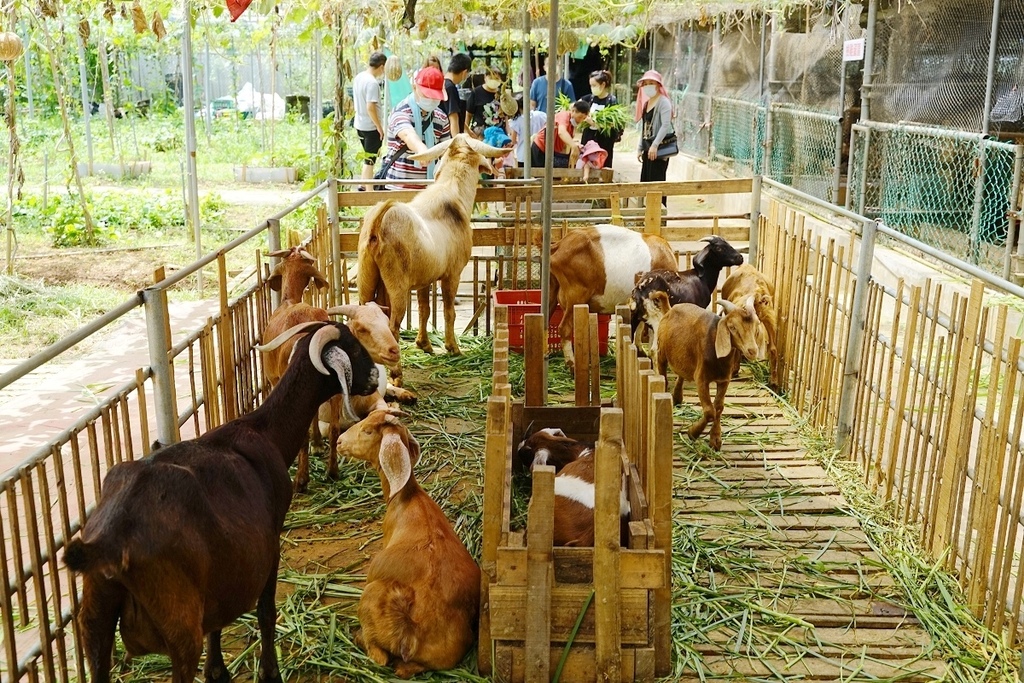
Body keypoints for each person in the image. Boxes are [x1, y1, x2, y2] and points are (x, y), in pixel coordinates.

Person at [380, 67, 452, 190]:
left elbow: (446, 150)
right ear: (414, 88)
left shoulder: (441, 118)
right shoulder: (400, 112)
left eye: (435, 97)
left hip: (428, 191)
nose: (431, 100)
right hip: (399, 189)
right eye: (427, 95)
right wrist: (422, 150)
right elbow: (408, 134)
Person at [635, 69, 673, 201]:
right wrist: (640, 148)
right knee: (646, 181)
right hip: (647, 148)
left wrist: (655, 145)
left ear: (658, 85)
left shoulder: (664, 102)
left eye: (651, 83)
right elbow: (644, 126)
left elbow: (665, 125)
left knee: (657, 183)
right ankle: (647, 215)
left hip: (658, 150)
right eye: (645, 83)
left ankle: (659, 216)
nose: (648, 86)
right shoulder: (647, 104)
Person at [353, 51, 387, 188]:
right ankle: (369, 191)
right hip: (370, 127)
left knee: (368, 158)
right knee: (370, 161)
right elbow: (370, 107)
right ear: (382, 66)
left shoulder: (359, 77)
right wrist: (379, 127)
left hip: (359, 124)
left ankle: (362, 185)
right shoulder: (372, 83)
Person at [530, 99, 590, 168]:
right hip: (540, 148)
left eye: (583, 118)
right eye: (579, 117)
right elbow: (561, 132)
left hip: (552, 152)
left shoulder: (572, 126)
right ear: (573, 111)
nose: (580, 121)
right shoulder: (564, 115)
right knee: (540, 175)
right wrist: (573, 146)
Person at [581, 69, 622, 168]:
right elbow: (575, 106)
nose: (592, 88)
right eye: (591, 86)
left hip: (604, 141)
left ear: (603, 85)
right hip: (589, 138)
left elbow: (613, 123)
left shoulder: (611, 101)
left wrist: (594, 124)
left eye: (594, 85)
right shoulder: (590, 98)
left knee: (603, 166)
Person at [465, 66, 507, 134]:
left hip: (499, 134)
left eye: (496, 78)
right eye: (491, 78)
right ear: (485, 77)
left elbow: (505, 117)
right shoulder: (476, 92)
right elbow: (468, 114)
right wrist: (466, 132)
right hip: (480, 134)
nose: (494, 80)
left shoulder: (502, 94)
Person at [507, 95, 546, 167]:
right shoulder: (539, 115)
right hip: (538, 152)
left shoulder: (516, 121)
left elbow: (513, 141)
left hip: (523, 154)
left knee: (523, 176)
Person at [443, 53, 471, 135]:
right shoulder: (451, 88)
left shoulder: (443, 83)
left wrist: (467, 130)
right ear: (464, 72)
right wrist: (457, 143)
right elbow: (453, 118)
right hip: (448, 136)